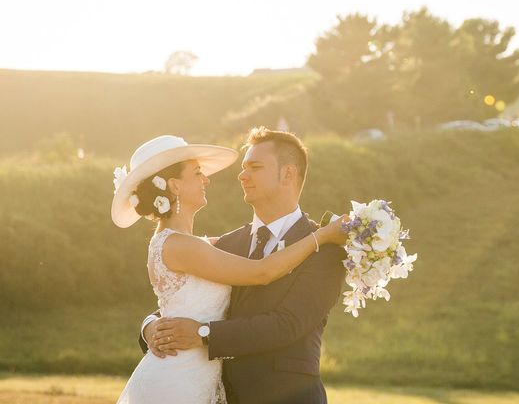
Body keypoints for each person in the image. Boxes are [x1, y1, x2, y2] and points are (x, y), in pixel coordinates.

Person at [111, 133, 347, 404]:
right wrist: (150, 326)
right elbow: (179, 308)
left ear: (288, 174)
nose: (241, 176)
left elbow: (288, 325)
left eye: (255, 167)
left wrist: (203, 333)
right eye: (243, 167)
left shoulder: (326, 250)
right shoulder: (226, 244)